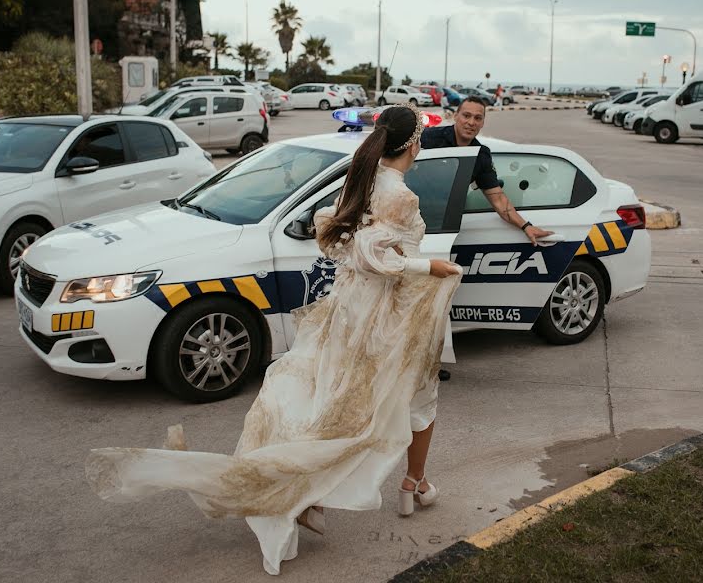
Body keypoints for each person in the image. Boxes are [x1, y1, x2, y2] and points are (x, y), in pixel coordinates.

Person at [85, 105, 463, 576]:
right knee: (391, 405)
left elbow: (336, 239)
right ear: (411, 144)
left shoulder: (361, 182)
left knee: (339, 401)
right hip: (385, 312)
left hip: (350, 308)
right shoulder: (399, 195)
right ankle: (385, 485)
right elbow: (369, 253)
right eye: (421, 137)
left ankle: (381, 488)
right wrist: (429, 266)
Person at [421, 96, 554, 381]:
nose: (470, 122)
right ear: (455, 116)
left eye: (477, 118)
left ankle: (429, 363)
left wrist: (525, 226)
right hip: (413, 224)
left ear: (483, 122)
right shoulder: (429, 139)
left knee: (437, 301)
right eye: (465, 116)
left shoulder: (480, 155)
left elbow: (497, 199)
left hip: (442, 232)